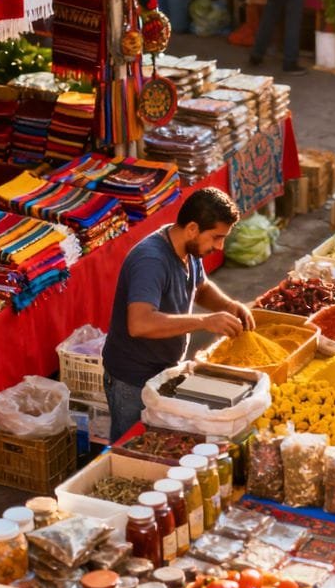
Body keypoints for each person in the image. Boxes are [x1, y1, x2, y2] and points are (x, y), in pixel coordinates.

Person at [101, 188, 254, 441]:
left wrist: (229, 305)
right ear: (193, 229)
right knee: (131, 449)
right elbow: (139, 323)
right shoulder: (151, 260)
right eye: (216, 237)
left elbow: (200, 287)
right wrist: (205, 321)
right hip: (133, 381)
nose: (220, 246)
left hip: (165, 370)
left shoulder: (189, 248)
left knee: (161, 444)